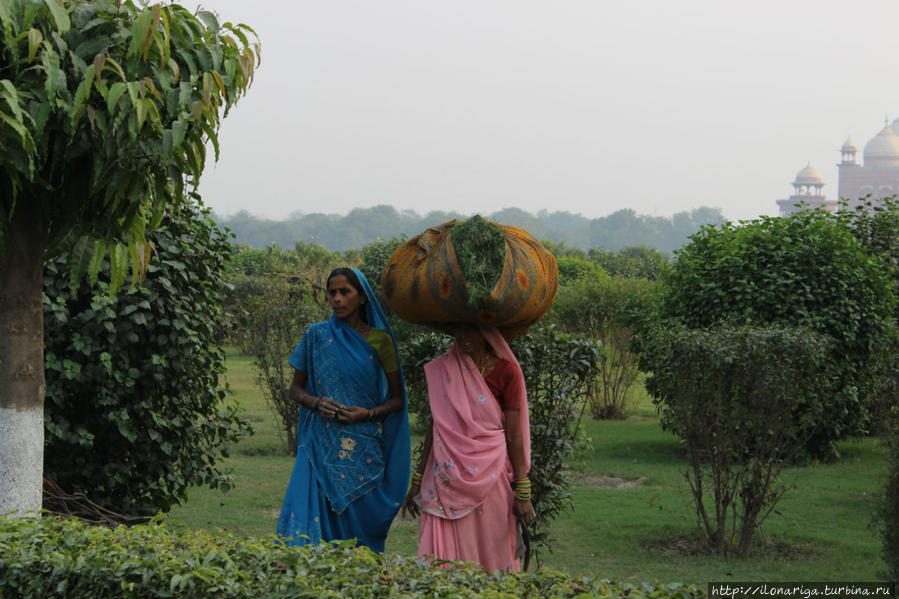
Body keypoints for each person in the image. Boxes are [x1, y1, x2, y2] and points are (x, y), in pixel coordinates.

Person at [276, 267, 410, 553]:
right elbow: (295, 389)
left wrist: (368, 413)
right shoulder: (315, 336)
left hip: (361, 448)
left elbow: (398, 399)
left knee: (361, 525)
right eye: (332, 292)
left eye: (344, 292)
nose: (336, 298)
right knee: (313, 522)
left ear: (361, 297)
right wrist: (317, 402)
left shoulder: (380, 340)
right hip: (318, 445)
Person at [402, 324, 536, 572]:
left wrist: (523, 488)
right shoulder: (446, 369)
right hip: (445, 475)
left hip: (491, 475)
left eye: (471, 329)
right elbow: (437, 425)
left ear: (488, 331)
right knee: (441, 562)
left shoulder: (507, 372)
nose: (463, 336)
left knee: (492, 550)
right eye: (458, 330)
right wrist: (419, 477)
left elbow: (514, 434)